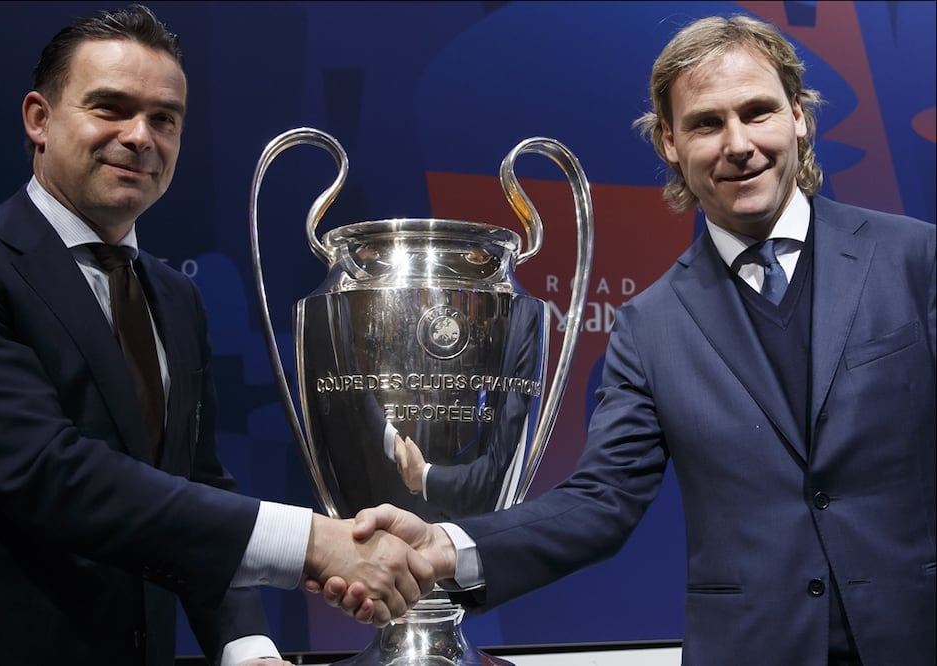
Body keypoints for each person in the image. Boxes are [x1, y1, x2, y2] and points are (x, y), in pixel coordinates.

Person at [325, 13, 936, 665]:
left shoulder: (914, 259)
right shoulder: (651, 324)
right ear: (670, 143)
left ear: (799, 118)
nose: (738, 143)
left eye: (757, 112)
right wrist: (446, 547)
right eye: (706, 123)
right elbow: (601, 502)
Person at [0, 5, 434, 666]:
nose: (140, 137)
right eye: (110, 108)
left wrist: (245, 645)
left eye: (164, 118)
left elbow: (194, 481)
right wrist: (312, 543)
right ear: (39, 119)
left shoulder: (176, 297)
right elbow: (52, 475)